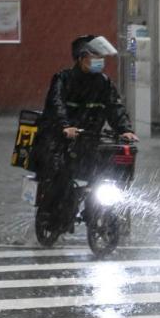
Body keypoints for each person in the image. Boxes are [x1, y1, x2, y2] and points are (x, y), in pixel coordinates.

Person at [35, 35, 138, 222]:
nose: (100, 62)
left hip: (90, 140)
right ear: (81, 59)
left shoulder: (104, 83)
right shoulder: (63, 79)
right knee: (62, 174)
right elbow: (56, 104)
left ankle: (95, 210)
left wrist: (125, 129)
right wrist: (65, 126)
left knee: (105, 172)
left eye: (102, 59)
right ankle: (56, 213)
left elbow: (114, 107)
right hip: (61, 141)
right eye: (94, 58)